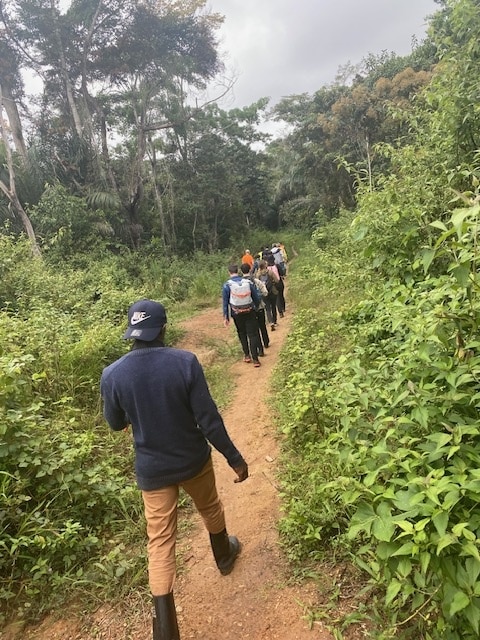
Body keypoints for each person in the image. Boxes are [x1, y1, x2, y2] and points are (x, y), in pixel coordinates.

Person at [100, 299, 249, 640]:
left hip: (153, 471)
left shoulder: (112, 374)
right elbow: (208, 420)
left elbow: (115, 423)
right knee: (210, 507)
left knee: (160, 541)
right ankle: (224, 556)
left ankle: (165, 632)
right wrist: (234, 458)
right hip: (193, 461)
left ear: (132, 331)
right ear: (163, 328)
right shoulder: (184, 362)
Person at [222, 264, 262, 367]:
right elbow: (256, 298)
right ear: (238, 271)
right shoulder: (247, 282)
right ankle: (255, 359)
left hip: (236, 313)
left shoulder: (227, 285)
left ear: (229, 272)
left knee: (242, 333)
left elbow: (225, 303)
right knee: (252, 334)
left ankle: (247, 355)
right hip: (249, 312)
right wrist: (256, 307)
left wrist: (226, 317)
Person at [240, 262, 269, 355]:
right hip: (259, 307)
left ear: (241, 271)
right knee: (262, 326)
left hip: (249, 310)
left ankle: (259, 350)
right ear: (250, 270)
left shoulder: (240, 284)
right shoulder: (256, 281)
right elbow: (265, 292)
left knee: (254, 331)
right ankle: (266, 342)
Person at [256, 259, 279, 331]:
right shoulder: (270, 272)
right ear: (265, 265)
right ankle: (275, 321)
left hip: (264, 293)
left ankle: (270, 322)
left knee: (267, 308)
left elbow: (257, 285)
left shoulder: (258, 274)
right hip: (272, 291)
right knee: (273, 306)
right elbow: (277, 280)